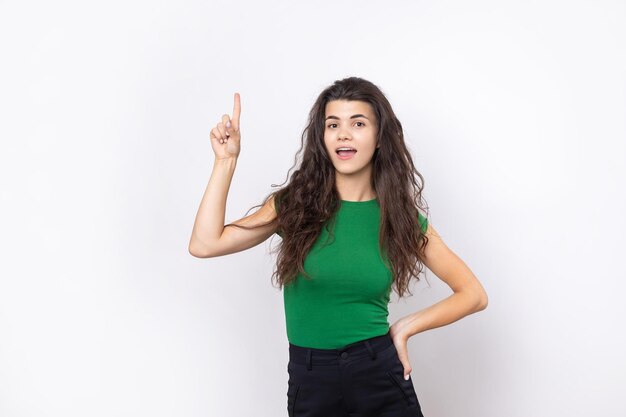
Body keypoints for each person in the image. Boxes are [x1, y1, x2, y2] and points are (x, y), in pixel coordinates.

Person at [189, 76, 488, 417]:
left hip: (378, 372)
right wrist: (225, 162)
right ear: (323, 137)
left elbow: (473, 294)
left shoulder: (400, 218)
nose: (343, 133)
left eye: (358, 123)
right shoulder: (295, 206)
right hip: (311, 379)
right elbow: (205, 243)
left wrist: (406, 327)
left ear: (379, 138)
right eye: (333, 124)